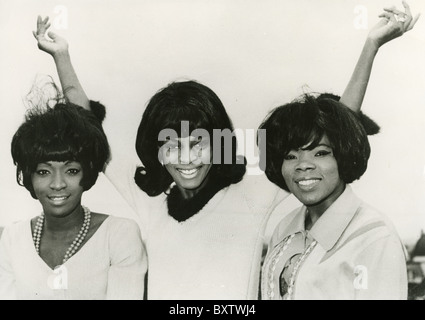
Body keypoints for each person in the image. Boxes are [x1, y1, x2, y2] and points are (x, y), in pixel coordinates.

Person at [32, 2, 417, 299]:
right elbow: (88, 128)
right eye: (171, 145)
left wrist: (371, 46)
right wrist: (61, 57)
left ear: (219, 144)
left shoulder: (250, 192)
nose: (185, 157)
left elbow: (332, 130)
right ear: (157, 151)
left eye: (198, 143)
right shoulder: (149, 203)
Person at [0, 85, 147, 300]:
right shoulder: (11, 240)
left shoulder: (118, 235)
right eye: (43, 171)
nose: (57, 183)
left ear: (87, 172)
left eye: (71, 170)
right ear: (29, 176)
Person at [259, 93, 407, 300]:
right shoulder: (283, 229)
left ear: (343, 156)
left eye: (320, 153)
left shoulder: (374, 236)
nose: (303, 164)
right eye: (290, 156)